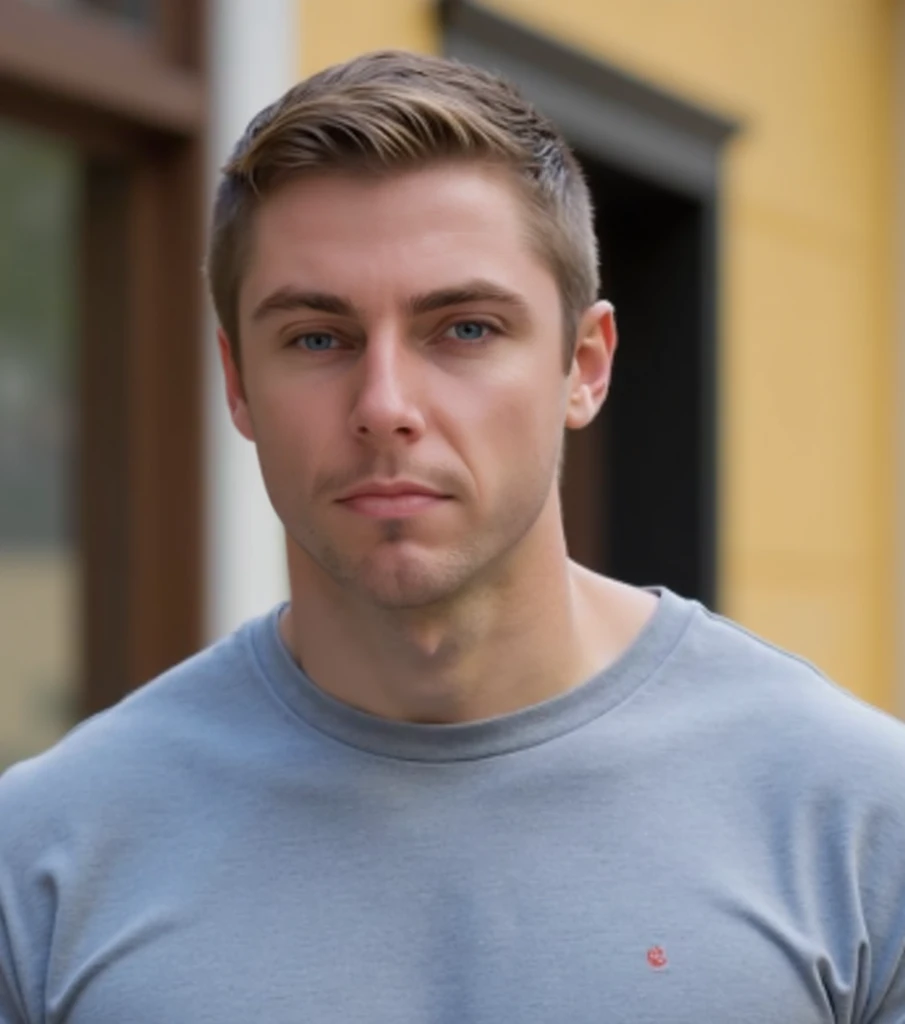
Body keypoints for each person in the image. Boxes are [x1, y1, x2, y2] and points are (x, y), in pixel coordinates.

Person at [1, 49, 905, 1024]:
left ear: (583, 365)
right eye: (316, 336)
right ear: (236, 380)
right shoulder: (47, 859)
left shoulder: (856, 825)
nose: (384, 404)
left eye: (464, 328)